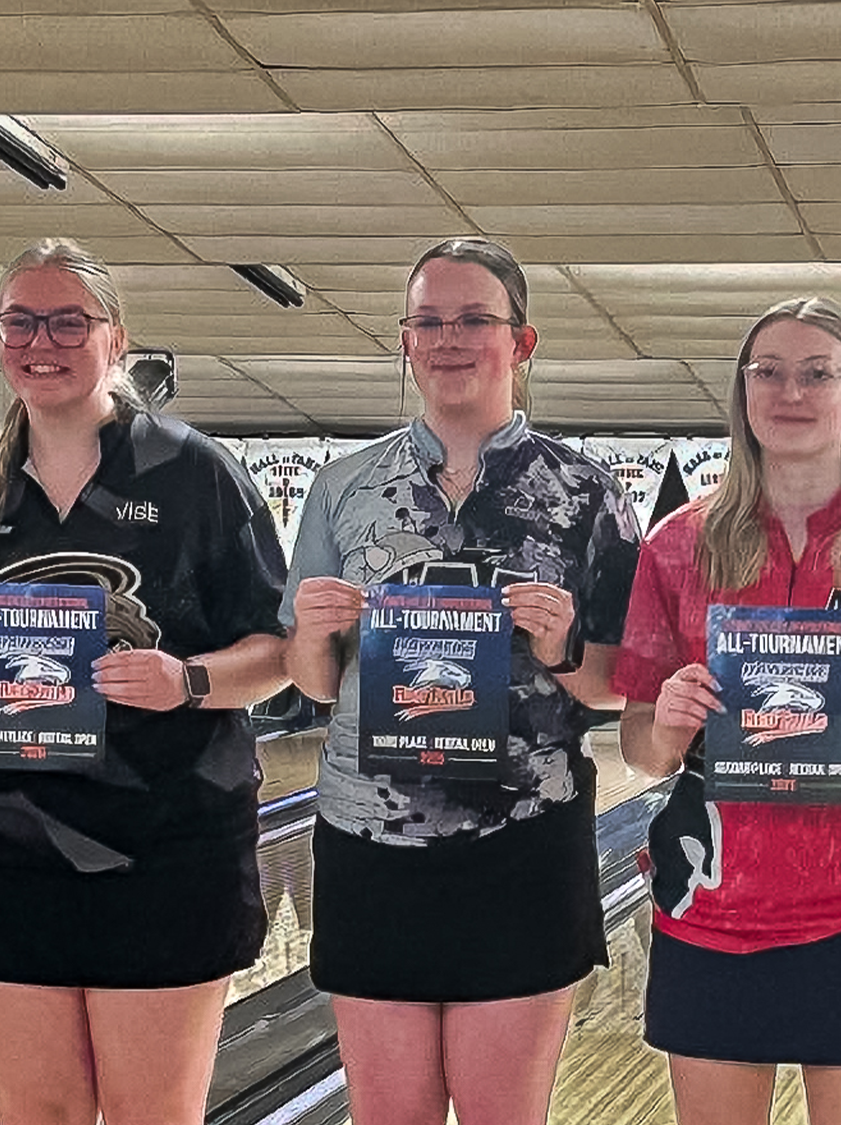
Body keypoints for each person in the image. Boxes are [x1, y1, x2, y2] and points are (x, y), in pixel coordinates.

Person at [0, 239, 290, 1125]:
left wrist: (186, 677)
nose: (43, 339)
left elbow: (278, 648)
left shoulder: (196, 472)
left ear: (116, 337)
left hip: (168, 846)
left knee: (153, 1111)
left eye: (69, 320)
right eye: (21, 321)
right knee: (36, 1112)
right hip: (4, 849)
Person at [283, 238, 641, 1125]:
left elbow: (618, 684)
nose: (450, 339)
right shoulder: (342, 489)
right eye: (428, 321)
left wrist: (562, 644)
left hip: (524, 840)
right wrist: (315, 633)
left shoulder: (585, 490)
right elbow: (316, 687)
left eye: (475, 319)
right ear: (405, 342)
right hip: (368, 840)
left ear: (521, 343)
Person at [611, 296, 841, 1125]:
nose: (791, 391)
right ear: (743, 393)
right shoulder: (678, 542)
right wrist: (668, 722)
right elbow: (641, 747)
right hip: (708, 905)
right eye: (769, 372)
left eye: (817, 373)